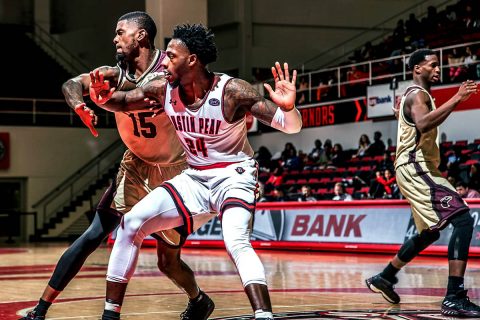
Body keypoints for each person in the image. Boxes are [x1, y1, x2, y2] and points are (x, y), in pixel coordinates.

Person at [90, 24, 302, 320]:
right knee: (131, 224)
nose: (163, 61)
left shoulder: (231, 91)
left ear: (192, 60)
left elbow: (291, 126)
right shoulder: (161, 88)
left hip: (234, 175)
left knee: (235, 241)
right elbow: (123, 102)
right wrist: (101, 99)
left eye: (171, 56)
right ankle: (110, 315)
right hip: (194, 178)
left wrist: (289, 107)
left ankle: (263, 315)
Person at [19, 12, 213, 320]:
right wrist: (80, 104)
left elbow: (137, 100)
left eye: (120, 31)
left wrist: (106, 99)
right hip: (136, 164)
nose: (114, 38)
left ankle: (199, 299)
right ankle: (41, 309)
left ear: (140, 37)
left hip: (176, 170)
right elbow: (71, 83)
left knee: (168, 262)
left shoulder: (168, 72)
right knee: (93, 234)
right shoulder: (113, 72)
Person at [365, 49, 480, 317]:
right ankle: (454, 296)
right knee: (462, 220)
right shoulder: (418, 95)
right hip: (415, 166)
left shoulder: (413, 96)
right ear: (417, 69)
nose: (438, 69)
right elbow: (424, 123)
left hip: (416, 167)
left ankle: (385, 276)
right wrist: (457, 98)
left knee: (430, 232)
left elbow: (415, 123)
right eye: (432, 65)